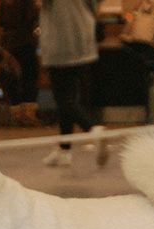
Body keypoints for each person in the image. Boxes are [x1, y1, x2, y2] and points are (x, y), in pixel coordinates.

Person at [38, 0, 108, 167]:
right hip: (83, 40)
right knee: (69, 97)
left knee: (64, 100)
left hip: (61, 42)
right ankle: (64, 150)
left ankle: (93, 130)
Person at [0, 0, 41, 126]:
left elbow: (0, 22)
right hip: (25, 40)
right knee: (29, 76)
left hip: (8, 43)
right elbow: (32, 18)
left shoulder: (4, 2)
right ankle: (28, 115)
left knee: (11, 78)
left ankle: (15, 114)